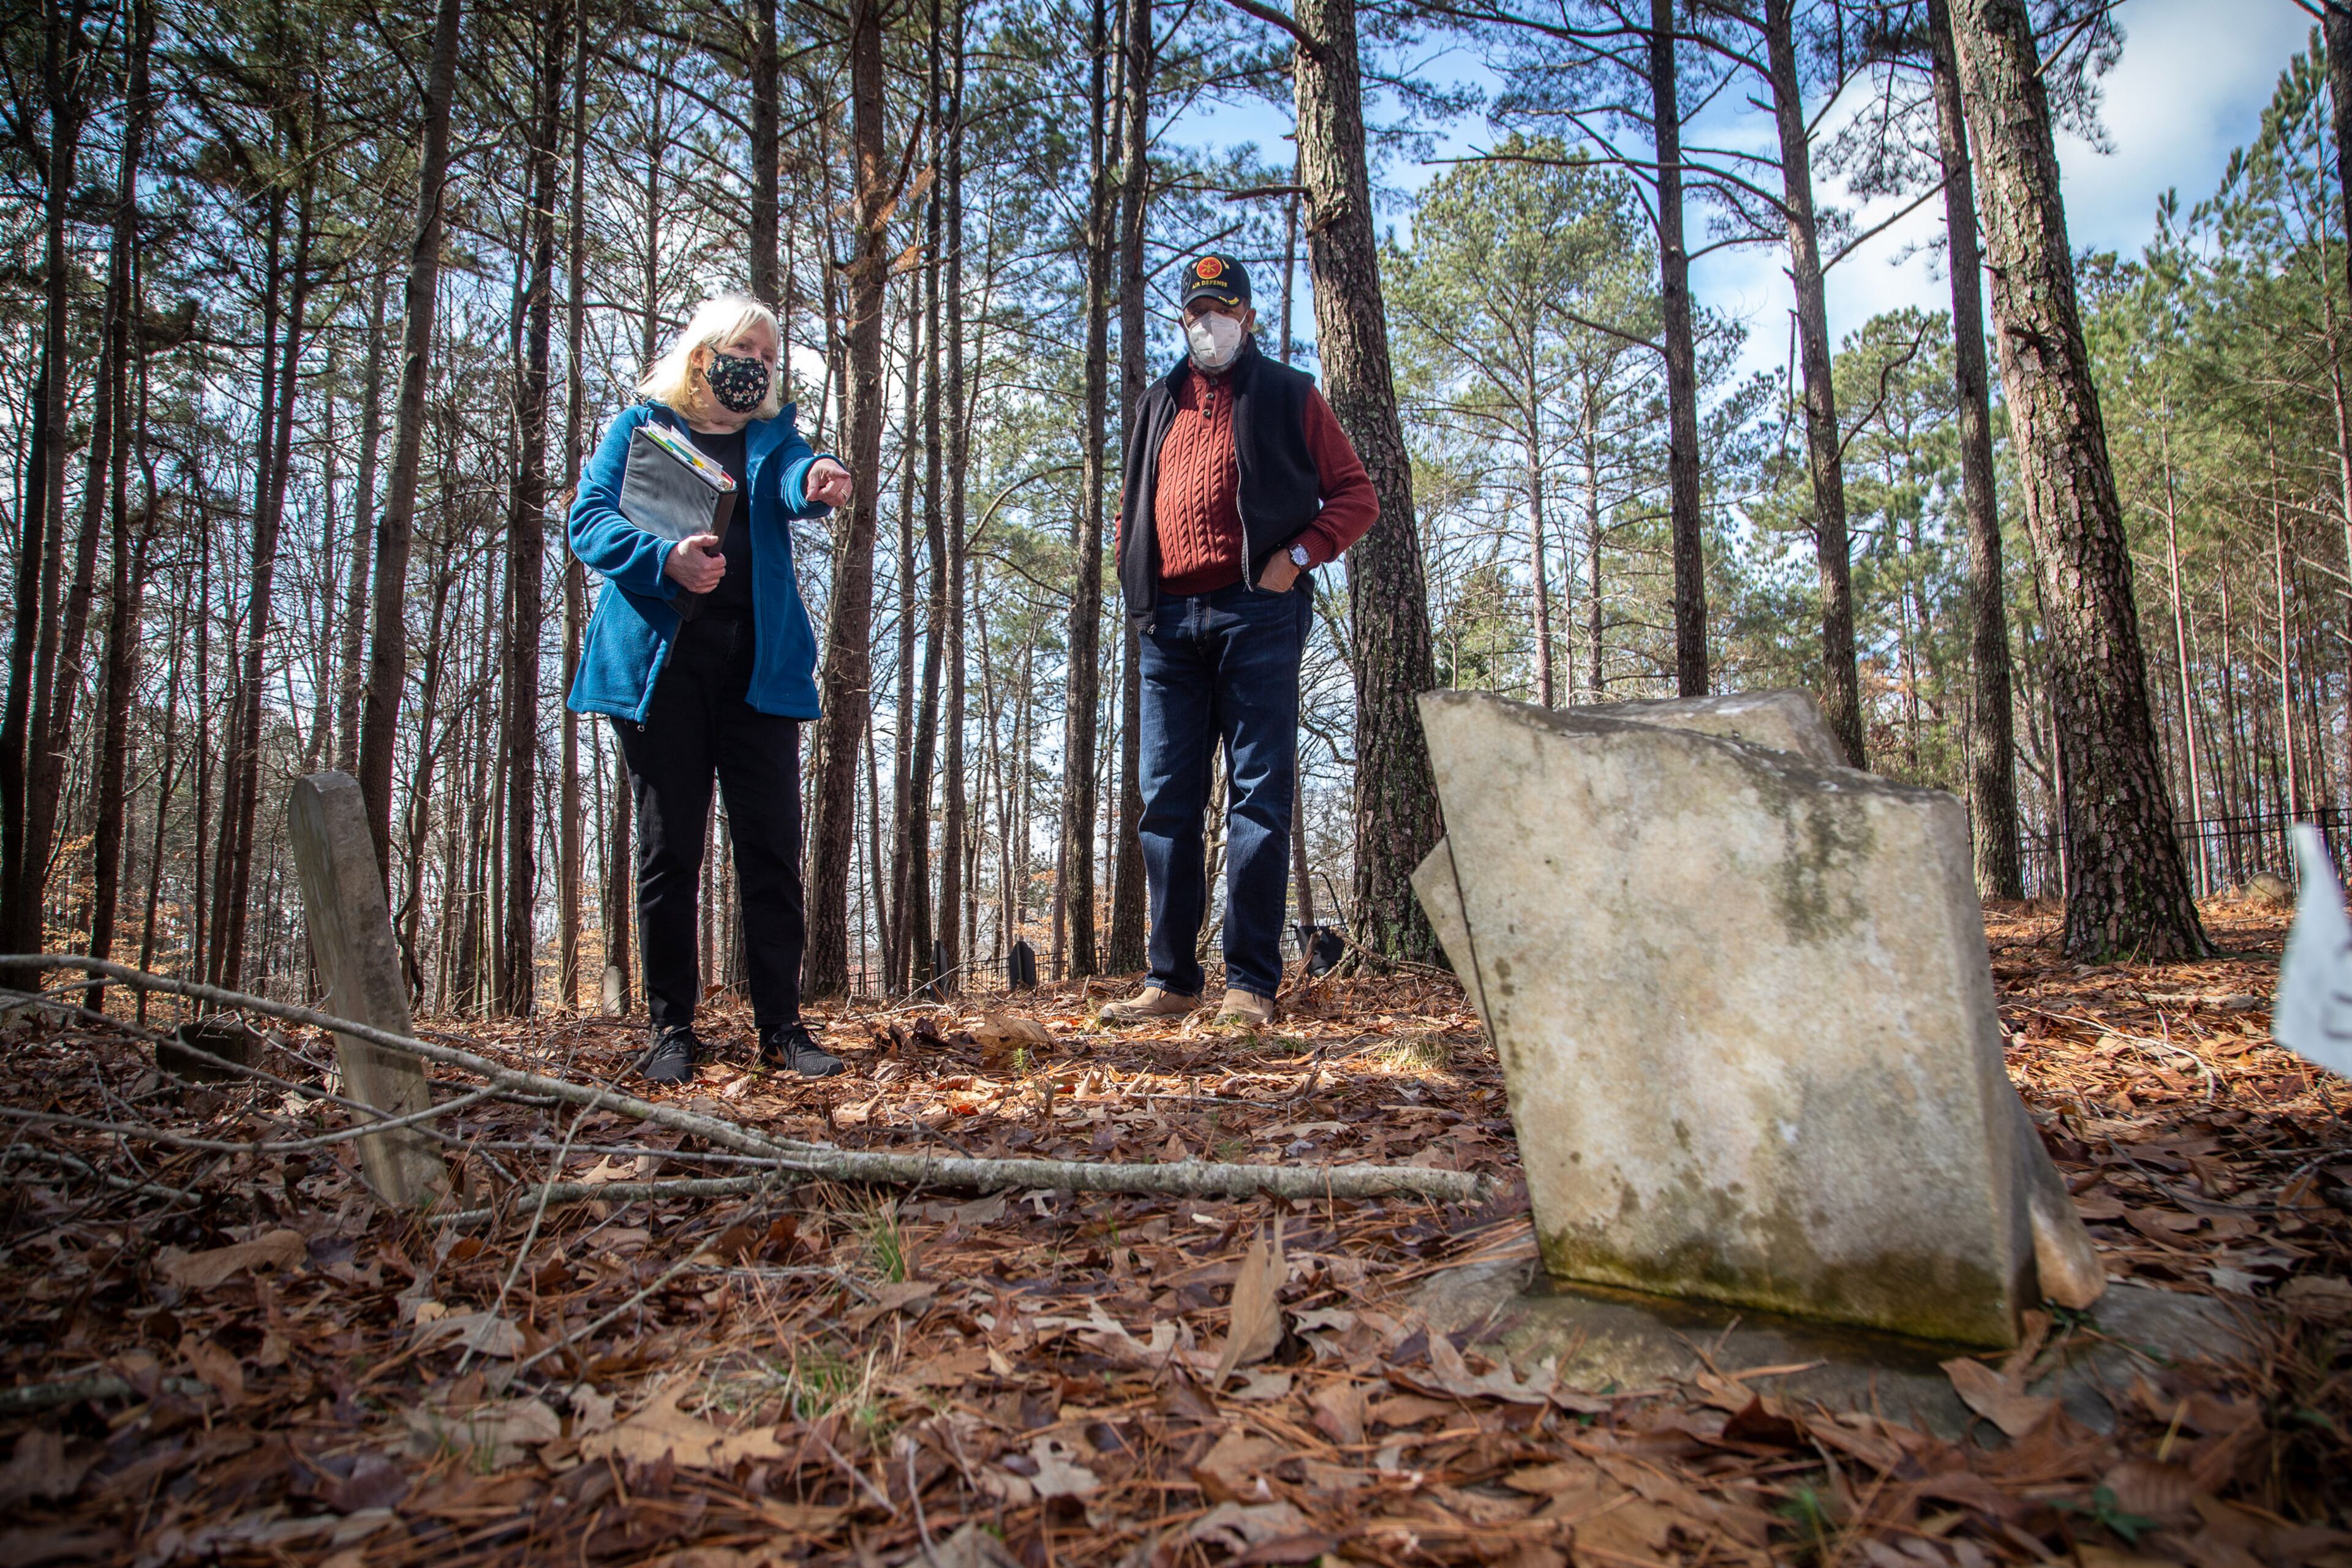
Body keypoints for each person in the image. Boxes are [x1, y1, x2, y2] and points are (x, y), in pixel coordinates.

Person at [567, 294, 853, 1083]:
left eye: (769, 357)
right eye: (747, 351)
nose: (759, 366)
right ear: (704, 354)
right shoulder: (639, 430)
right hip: (663, 670)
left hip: (757, 671)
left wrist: (818, 476)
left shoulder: (772, 435)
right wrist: (662, 559)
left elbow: (793, 475)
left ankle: (782, 1027)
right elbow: (586, 521)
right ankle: (671, 1030)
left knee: (770, 849)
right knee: (671, 852)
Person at [1099, 255, 1378, 1028]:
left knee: (1259, 795)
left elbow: (1357, 495)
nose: (1205, 322)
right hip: (1167, 626)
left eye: (1219, 309)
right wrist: (1132, 566)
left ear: (1247, 317)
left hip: (1257, 613)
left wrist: (1296, 559)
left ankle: (1251, 983)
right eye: (1193, 310)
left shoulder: (1289, 394)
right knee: (1166, 802)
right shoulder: (1157, 401)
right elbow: (1134, 506)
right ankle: (1170, 980)